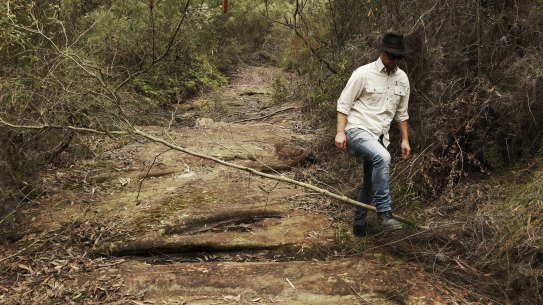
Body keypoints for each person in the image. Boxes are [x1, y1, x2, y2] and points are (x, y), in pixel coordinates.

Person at [335, 32, 412, 237]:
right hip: (357, 129)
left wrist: (405, 139)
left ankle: (359, 226)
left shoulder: (402, 79)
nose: (395, 60)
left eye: (399, 57)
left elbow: (401, 113)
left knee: (370, 183)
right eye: (391, 56)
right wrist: (340, 133)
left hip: (379, 136)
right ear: (382, 52)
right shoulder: (363, 73)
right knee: (383, 157)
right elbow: (344, 104)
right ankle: (385, 214)